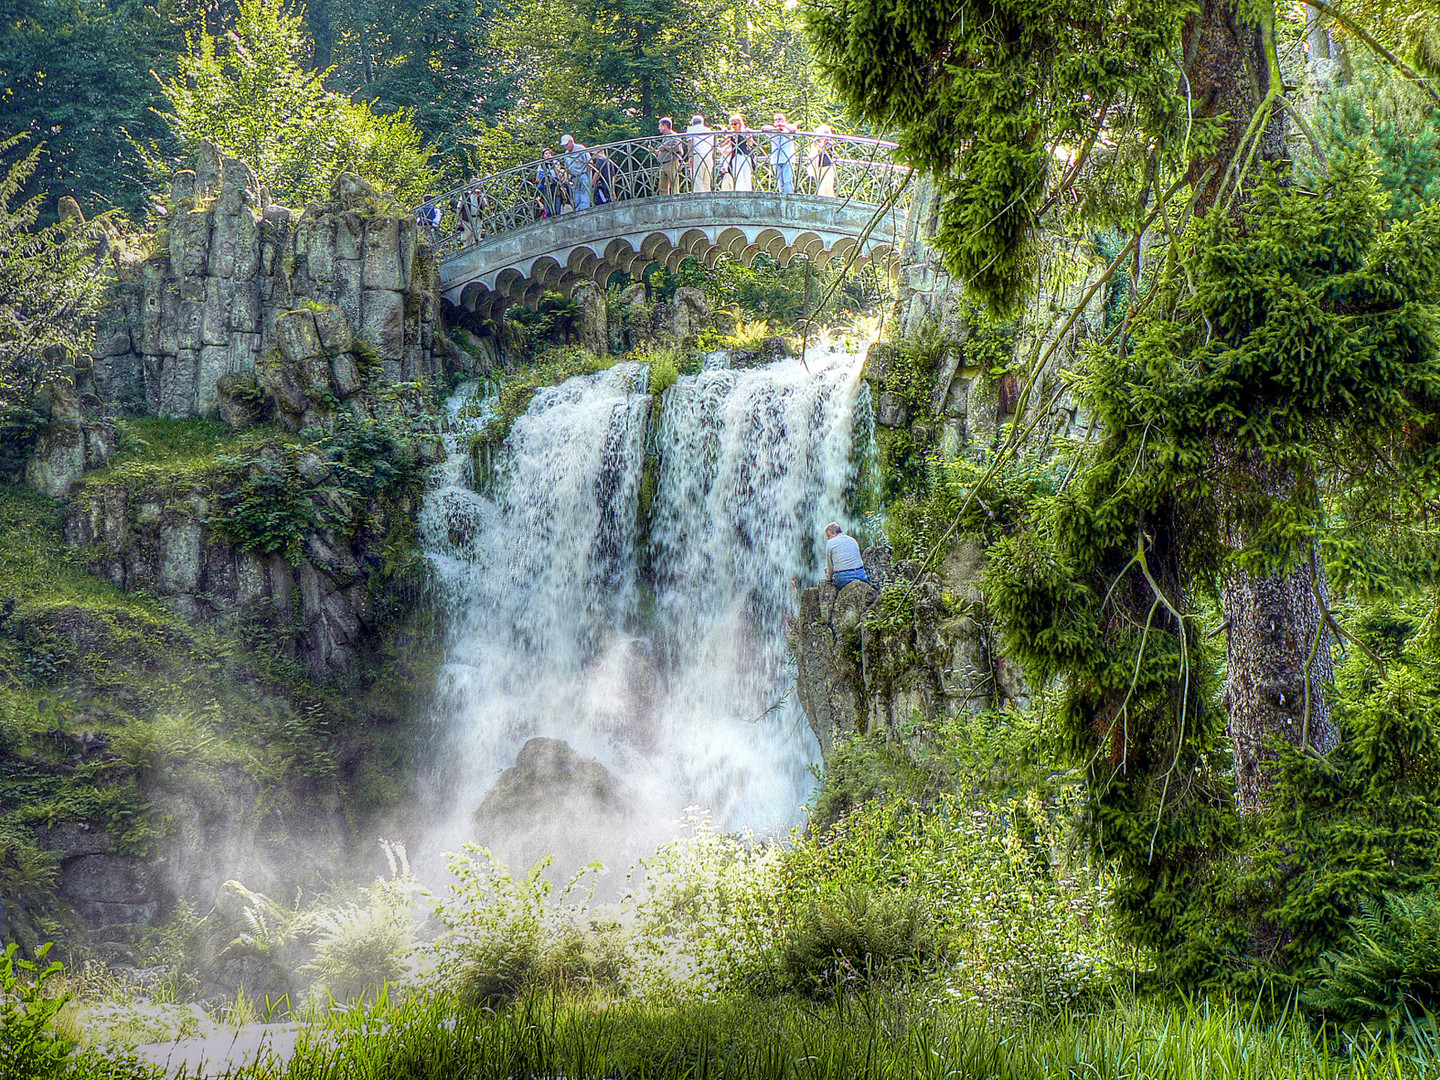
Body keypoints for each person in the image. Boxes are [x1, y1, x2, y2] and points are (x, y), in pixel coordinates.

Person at [824, 522, 869, 587]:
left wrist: (828, 578)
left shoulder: (830, 542)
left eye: (829, 535)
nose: (828, 538)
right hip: (860, 575)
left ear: (835, 533)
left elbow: (830, 565)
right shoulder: (852, 539)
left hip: (843, 578)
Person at [764, 113, 798, 194]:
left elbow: (794, 129)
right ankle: (781, 198)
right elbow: (763, 128)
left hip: (787, 159)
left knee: (787, 181)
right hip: (776, 160)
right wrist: (776, 129)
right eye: (776, 120)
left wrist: (783, 126)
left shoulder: (788, 130)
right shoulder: (772, 131)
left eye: (779, 119)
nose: (778, 121)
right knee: (780, 182)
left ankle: (789, 198)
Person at [560, 134, 593, 210]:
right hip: (574, 177)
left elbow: (589, 162)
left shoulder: (580, 148)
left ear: (571, 141)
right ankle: (578, 210)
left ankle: (584, 210)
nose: (566, 146)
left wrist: (589, 176)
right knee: (576, 195)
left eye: (567, 144)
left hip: (583, 174)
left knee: (585, 194)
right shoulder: (566, 153)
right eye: (564, 145)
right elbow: (567, 167)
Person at [685, 114, 715, 193]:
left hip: (697, 155)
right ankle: (707, 196)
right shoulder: (708, 130)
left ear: (692, 122)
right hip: (708, 155)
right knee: (707, 179)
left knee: (697, 179)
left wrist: (690, 157)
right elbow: (712, 146)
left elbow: (690, 143)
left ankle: (698, 197)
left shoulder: (691, 129)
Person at [656, 117, 686, 196]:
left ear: (665, 126)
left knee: (674, 183)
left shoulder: (674, 136)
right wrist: (657, 152)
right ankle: (663, 202)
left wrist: (665, 147)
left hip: (671, 162)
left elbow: (678, 149)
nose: (659, 128)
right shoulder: (665, 137)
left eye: (660, 126)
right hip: (664, 163)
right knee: (662, 186)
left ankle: (675, 200)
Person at [724, 114, 754, 192]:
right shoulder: (731, 134)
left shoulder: (744, 132)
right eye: (732, 124)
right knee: (737, 175)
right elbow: (723, 144)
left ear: (740, 123)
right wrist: (726, 135)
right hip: (735, 156)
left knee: (746, 175)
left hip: (745, 155)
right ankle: (738, 191)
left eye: (735, 124)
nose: (734, 126)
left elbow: (751, 144)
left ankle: (748, 192)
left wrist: (749, 136)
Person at [456, 178, 489, 245]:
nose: (481, 187)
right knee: (467, 237)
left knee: (477, 237)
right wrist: (459, 220)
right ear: (474, 186)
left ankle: (477, 249)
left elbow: (485, 205)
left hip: (478, 218)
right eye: (480, 185)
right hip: (467, 219)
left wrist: (480, 196)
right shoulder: (464, 195)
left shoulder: (480, 195)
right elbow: (459, 208)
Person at [808, 124, 837, 198]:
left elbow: (825, 151)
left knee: (828, 185)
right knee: (821, 185)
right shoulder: (821, 144)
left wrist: (817, 146)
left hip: (828, 167)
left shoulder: (829, 143)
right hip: (821, 166)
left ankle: (831, 200)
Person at [536, 148, 564, 218]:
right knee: (548, 208)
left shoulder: (555, 162)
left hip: (555, 186)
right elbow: (537, 179)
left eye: (549, 153)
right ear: (543, 156)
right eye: (546, 154)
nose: (548, 155)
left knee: (557, 206)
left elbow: (558, 173)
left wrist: (553, 164)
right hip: (546, 187)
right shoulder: (541, 165)